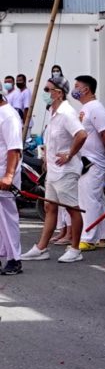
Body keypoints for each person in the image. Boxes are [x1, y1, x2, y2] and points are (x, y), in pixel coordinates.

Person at [22, 76, 87, 264]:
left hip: (66, 170)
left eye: (47, 89)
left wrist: (69, 154)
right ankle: (41, 248)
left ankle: (75, 248)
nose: (45, 93)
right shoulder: (53, 111)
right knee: (49, 207)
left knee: (72, 209)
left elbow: (81, 134)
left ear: (58, 92)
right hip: (53, 170)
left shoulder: (67, 112)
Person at [73, 75, 105, 251]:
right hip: (87, 161)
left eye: (77, 86)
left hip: (94, 161)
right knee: (97, 198)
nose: (74, 89)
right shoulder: (86, 108)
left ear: (86, 89)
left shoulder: (96, 108)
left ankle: (88, 237)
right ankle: (103, 236)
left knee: (89, 200)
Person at [0, 88, 22, 275]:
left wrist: (8, 175)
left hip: (4, 175)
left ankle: (14, 259)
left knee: (7, 218)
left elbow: (14, 148)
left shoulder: (8, 116)